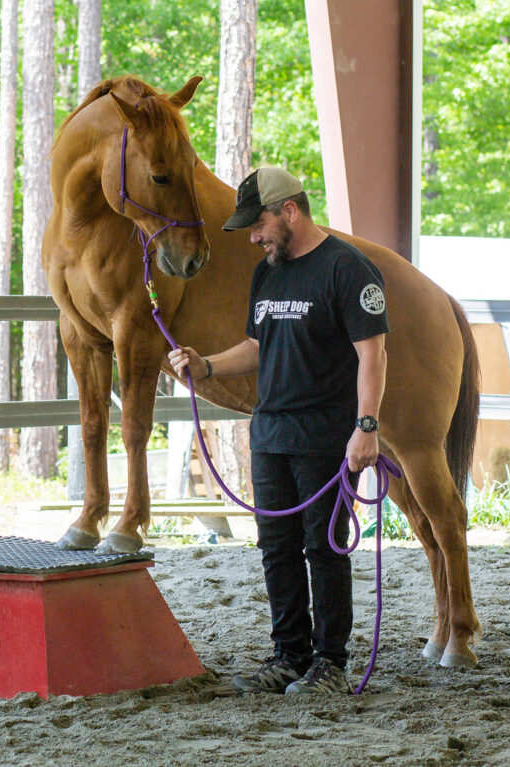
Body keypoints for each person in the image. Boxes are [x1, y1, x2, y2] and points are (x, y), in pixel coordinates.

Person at [168, 167, 389, 695]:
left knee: (324, 546)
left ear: (290, 210)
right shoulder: (268, 272)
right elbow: (259, 344)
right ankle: (288, 655)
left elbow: (372, 354)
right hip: (269, 434)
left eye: (259, 224)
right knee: (277, 549)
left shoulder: (348, 269)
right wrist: (207, 367)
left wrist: (366, 428)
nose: (253, 236)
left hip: (325, 436)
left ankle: (329, 663)